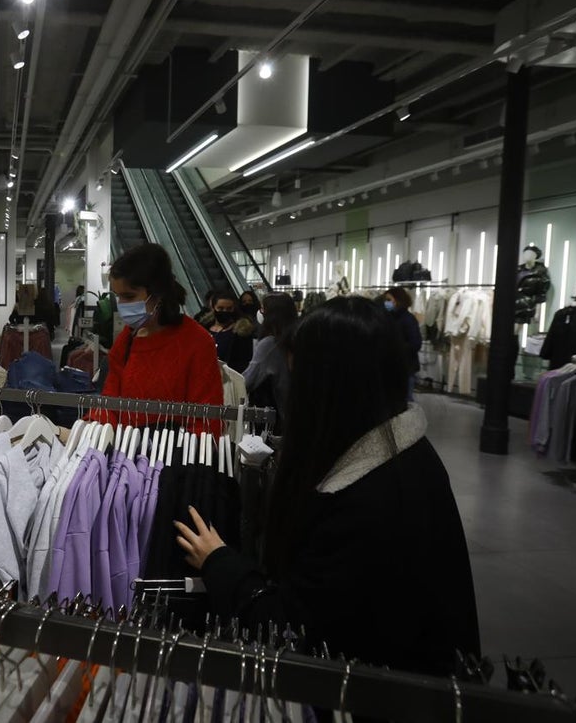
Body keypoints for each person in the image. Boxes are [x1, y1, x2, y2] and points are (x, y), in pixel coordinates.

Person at [174, 297, 480, 677]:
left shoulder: (370, 500)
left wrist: (219, 562)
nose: (293, 394)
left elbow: (296, 627)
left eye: (299, 380)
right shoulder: (404, 457)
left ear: (330, 386)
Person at [97, 243, 223, 427]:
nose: (121, 304)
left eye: (129, 296)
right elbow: (110, 400)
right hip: (125, 443)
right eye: (118, 296)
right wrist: (90, 430)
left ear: (158, 293)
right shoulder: (127, 339)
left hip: (177, 445)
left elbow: (207, 420)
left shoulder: (197, 342)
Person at [243, 292, 298, 426]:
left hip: (279, 417)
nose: (259, 312)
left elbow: (248, 381)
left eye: (262, 309)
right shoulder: (298, 338)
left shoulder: (270, 344)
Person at [385, 286, 423, 401]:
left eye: (389, 300)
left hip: (406, 366)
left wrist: (396, 347)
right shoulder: (389, 317)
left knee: (405, 400)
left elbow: (416, 343)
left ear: (398, 300)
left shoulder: (408, 319)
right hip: (392, 365)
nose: (386, 303)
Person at [206, 292, 255, 374]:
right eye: (220, 308)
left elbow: (244, 361)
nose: (224, 311)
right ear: (213, 308)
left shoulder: (242, 332)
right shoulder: (203, 328)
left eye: (229, 309)